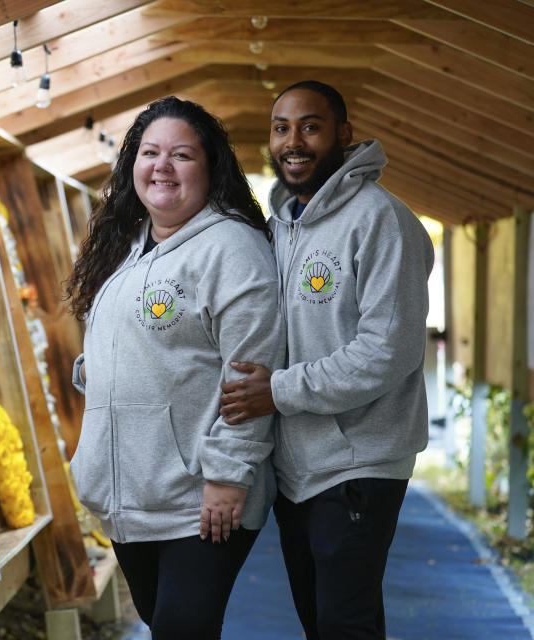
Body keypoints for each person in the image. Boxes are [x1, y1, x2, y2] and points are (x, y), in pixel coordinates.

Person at [218, 81, 435, 640]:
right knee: (321, 620)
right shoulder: (278, 228)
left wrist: (280, 391)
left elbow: (388, 351)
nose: (294, 141)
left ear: (343, 134)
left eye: (310, 126)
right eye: (281, 127)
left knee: (344, 622)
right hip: (298, 467)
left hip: (359, 460)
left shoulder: (381, 221)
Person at [65, 96, 284, 639]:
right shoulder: (128, 248)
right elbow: (131, 342)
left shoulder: (231, 248)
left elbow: (250, 374)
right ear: (131, 166)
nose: (161, 166)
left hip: (198, 497)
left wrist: (229, 477)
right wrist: (98, 370)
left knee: (182, 631)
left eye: (181, 155)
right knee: (163, 623)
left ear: (210, 168)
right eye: (149, 152)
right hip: (130, 494)